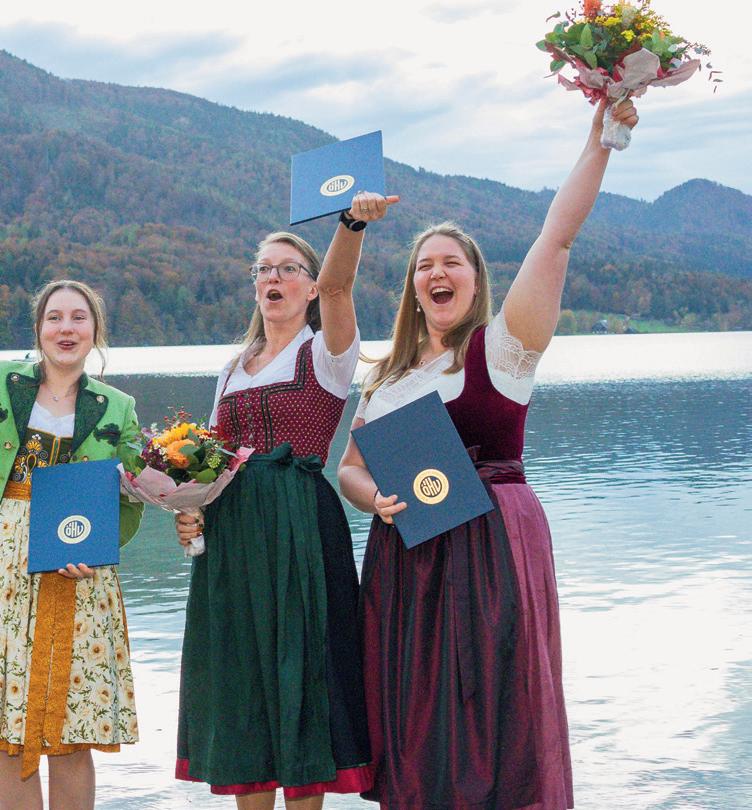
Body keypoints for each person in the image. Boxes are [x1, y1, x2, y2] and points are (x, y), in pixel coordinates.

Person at [337, 99, 639, 809]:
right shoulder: (386, 378)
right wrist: (374, 500)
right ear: (413, 288)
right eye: (424, 266)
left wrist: (600, 137)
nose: (437, 273)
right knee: (419, 723)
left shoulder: (502, 349)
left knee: (499, 714)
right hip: (409, 560)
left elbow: (556, 240)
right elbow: (350, 467)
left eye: (452, 262)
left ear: (475, 279)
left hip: (493, 548)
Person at [174, 192, 397, 810]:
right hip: (230, 541)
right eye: (263, 269)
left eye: (288, 269)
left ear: (310, 287)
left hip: (300, 530)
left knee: (302, 679)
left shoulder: (326, 354)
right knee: (243, 683)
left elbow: (341, 286)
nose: (273, 278)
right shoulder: (231, 368)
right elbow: (208, 462)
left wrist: (350, 224)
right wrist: (188, 508)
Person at [0, 279, 144, 810]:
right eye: (54, 317)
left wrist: (100, 548)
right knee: (5, 733)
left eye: (78, 318)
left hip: (81, 571)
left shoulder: (118, 406)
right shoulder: (3, 383)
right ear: (38, 329)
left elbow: (132, 496)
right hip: (4, 568)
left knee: (71, 733)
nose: (66, 328)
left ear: (95, 330)